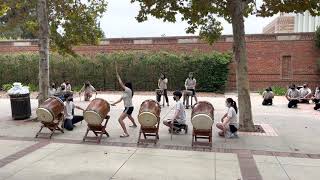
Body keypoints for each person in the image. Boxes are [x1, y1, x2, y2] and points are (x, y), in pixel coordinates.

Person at [111, 67, 137, 138]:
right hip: (128, 107)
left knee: (120, 119)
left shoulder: (129, 90)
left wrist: (118, 76)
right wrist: (113, 103)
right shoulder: (124, 93)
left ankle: (126, 133)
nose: (124, 86)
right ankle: (134, 124)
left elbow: (121, 84)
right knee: (129, 116)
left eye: (125, 85)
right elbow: (120, 100)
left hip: (129, 107)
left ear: (127, 86)